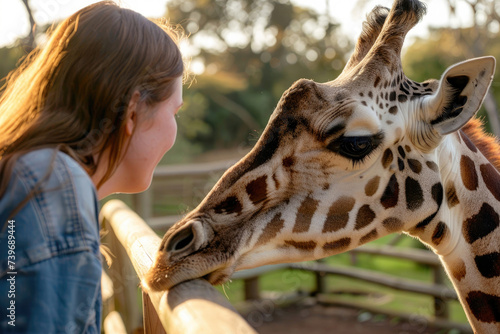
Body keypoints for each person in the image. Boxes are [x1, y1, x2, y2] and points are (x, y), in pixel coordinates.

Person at [0, 1, 184, 332]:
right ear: (133, 109)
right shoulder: (54, 186)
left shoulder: (36, 173)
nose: (175, 130)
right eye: (175, 112)